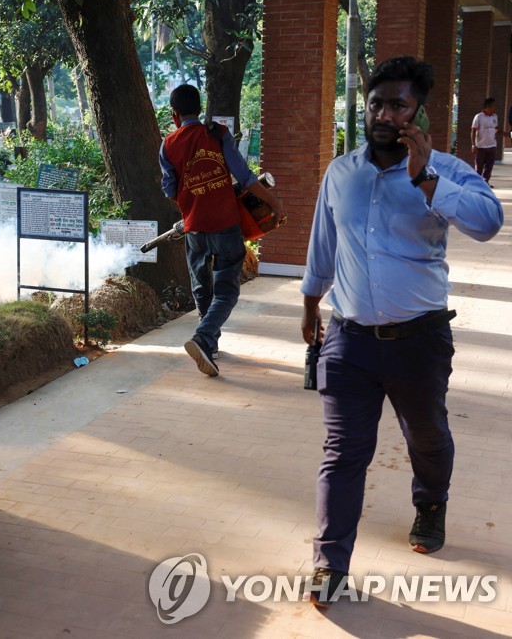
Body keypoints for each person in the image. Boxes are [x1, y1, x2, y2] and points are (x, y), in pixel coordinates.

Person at [300, 56, 503, 608]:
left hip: (419, 342)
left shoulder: (447, 170)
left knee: (428, 437)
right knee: (342, 455)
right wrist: (310, 306)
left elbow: (488, 224)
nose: (385, 114)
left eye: (398, 104)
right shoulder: (341, 171)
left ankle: (430, 501)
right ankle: (329, 564)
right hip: (349, 340)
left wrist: (427, 179)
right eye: (376, 103)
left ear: (419, 113)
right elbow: (324, 244)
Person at [158, 84, 286, 376]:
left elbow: (170, 190)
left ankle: (209, 343)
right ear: (199, 110)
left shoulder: (167, 144)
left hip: (194, 228)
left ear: (175, 115)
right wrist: (275, 203)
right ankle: (204, 338)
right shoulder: (217, 134)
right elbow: (245, 176)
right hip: (226, 225)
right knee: (226, 291)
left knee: (202, 287)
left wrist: (193, 199)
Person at [470, 97, 499, 185]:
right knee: (479, 167)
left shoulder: (495, 116)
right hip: (481, 146)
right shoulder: (478, 117)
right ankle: (477, 184)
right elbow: (473, 131)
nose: (495, 107)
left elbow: (495, 129)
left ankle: (485, 183)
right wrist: (473, 145)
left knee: (489, 167)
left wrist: (505, 133)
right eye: (494, 105)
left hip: (492, 146)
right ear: (488, 106)